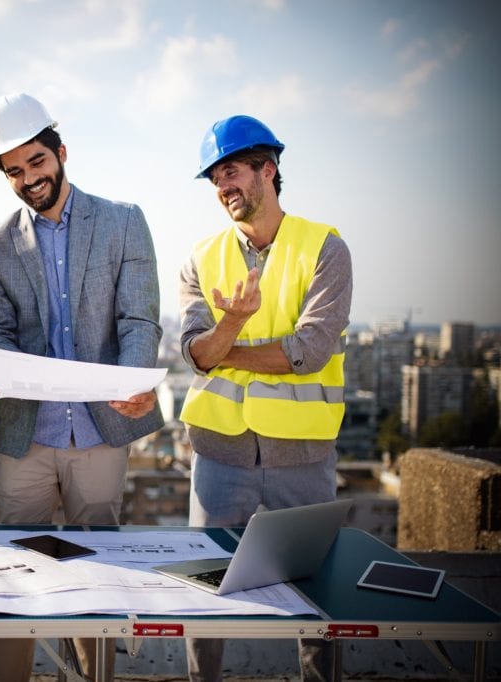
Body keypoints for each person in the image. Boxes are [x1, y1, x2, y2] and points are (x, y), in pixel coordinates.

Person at [0, 92, 163, 682]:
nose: (29, 179)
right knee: (15, 577)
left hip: (101, 432)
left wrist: (134, 381)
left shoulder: (124, 221)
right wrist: (5, 366)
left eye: (36, 163)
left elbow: (139, 320)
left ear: (60, 152)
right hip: (26, 436)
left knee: (96, 574)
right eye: (14, 172)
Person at [178, 115, 352, 682]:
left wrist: (223, 345)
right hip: (219, 454)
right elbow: (196, 351)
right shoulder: (200, 258)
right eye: (214, 178)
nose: (223, 186)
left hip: (300, 455)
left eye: (231, 171)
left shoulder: (325, 247)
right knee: (208, 592)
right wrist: (232, 323)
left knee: (316, 595)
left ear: (268, 170)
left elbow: (310, 351)